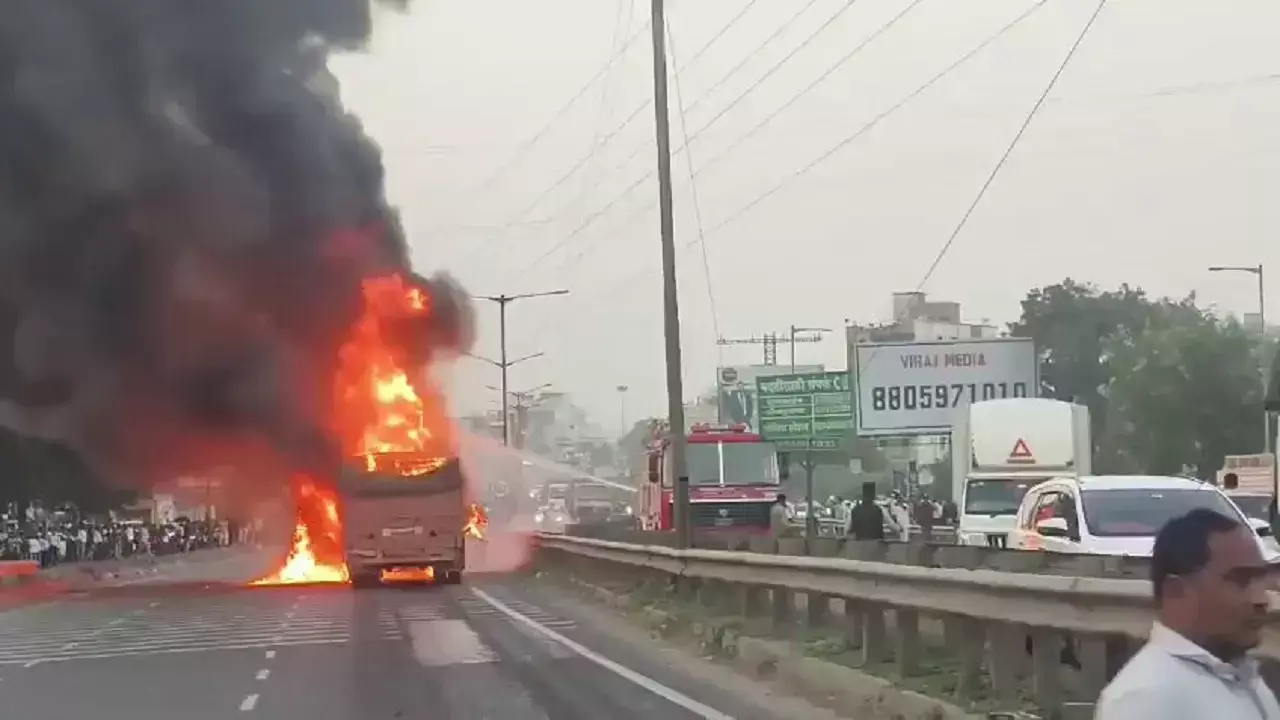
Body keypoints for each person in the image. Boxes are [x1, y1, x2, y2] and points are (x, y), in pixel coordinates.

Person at [1096, 508, 1280, 719]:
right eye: (1241, 580)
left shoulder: (1242, 676)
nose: (1262, 600)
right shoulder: (1144, 699)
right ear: (1176, 591)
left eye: (1260, 580)